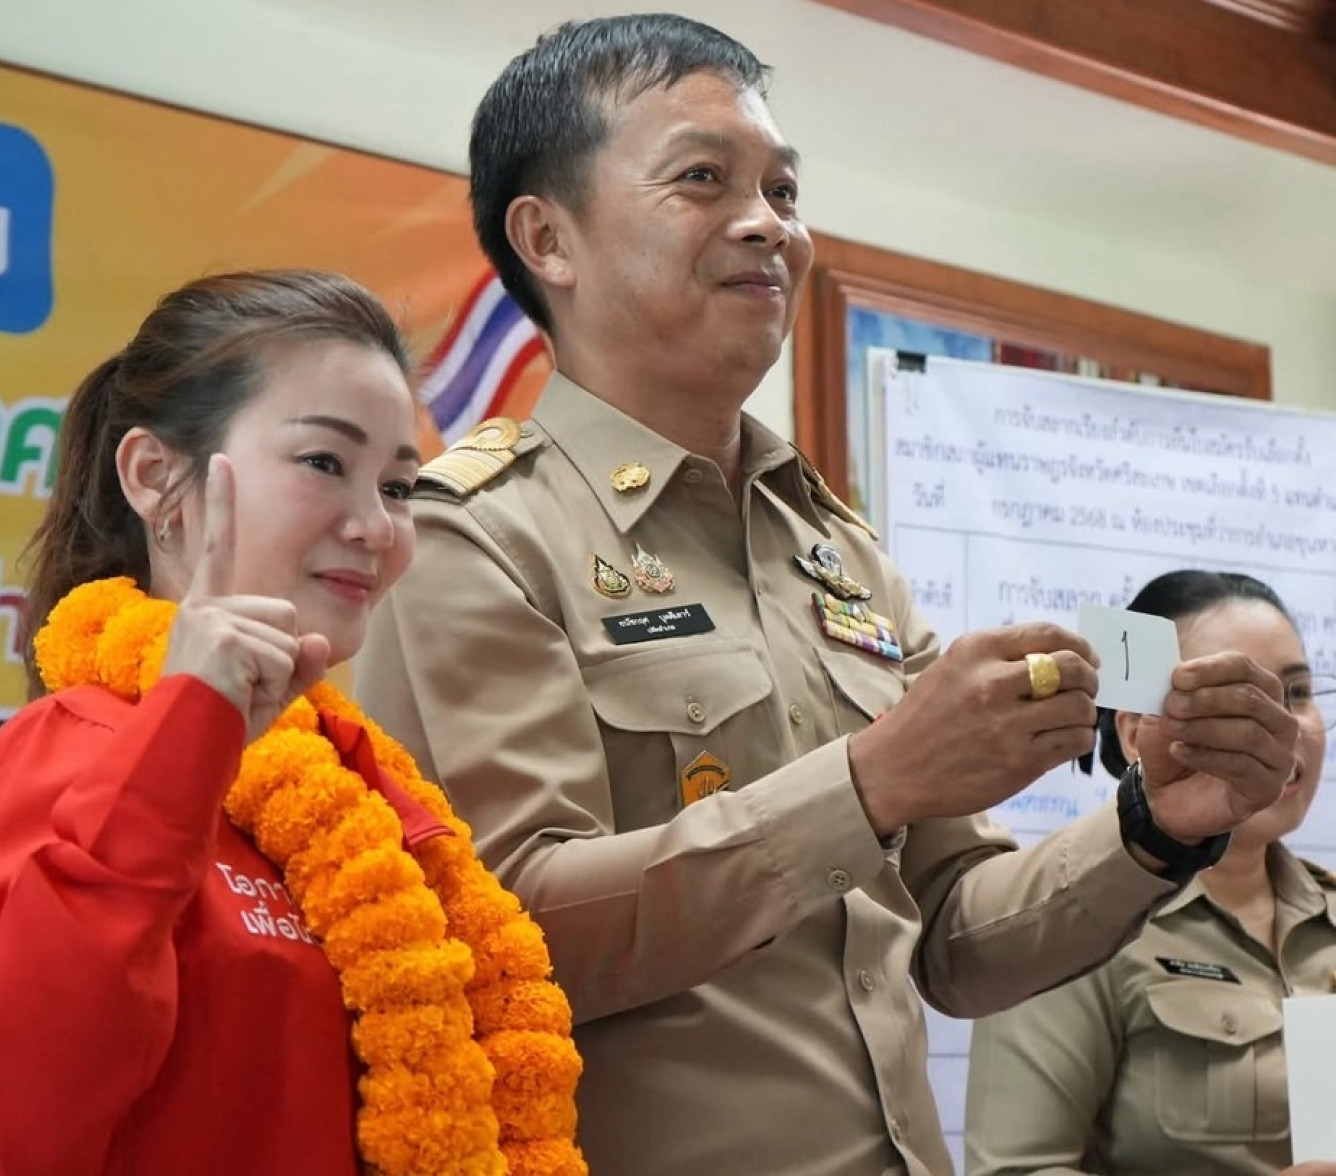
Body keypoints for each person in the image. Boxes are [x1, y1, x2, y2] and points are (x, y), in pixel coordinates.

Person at [352, 15, 1301, 1176]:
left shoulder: (840, 555)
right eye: (703, 179)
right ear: (549, 238)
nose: (770, 224)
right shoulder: (472, 537)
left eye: (785, 189)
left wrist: (1153, 827)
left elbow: (956, 939)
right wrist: (869, 782)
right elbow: (503, 937)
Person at [0, 270, 585, 1176]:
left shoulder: (370, 789)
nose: (374, 526)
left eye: (399, 487)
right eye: (325, 463)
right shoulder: (77, 747)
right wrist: (183, 741)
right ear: (154, 476)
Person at [965, 570, 1336, 1176]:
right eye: (1241, 697)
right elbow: (1015, 1169)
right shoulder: (1070, 920)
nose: (1284, 727)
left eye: (1296, 693)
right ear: (1138, 735)